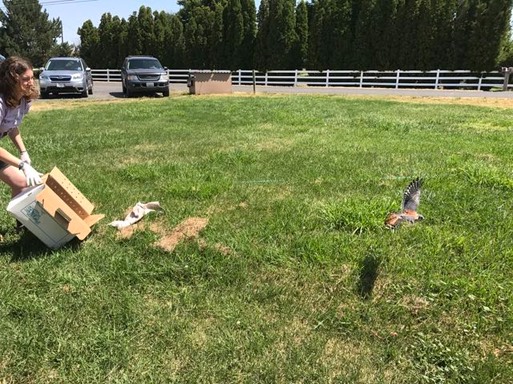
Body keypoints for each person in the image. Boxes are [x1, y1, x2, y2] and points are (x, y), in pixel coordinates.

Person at [0, 56, 43, 204]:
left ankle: (20, 226)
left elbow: (12, 127)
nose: (31, 82)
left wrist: (23, 152)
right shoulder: (1, 103)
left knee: (21, 183)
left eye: (32, 77)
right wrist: (21, 165)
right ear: (12, 80)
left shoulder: (24, 100)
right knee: (21, 181)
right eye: (25, 79)